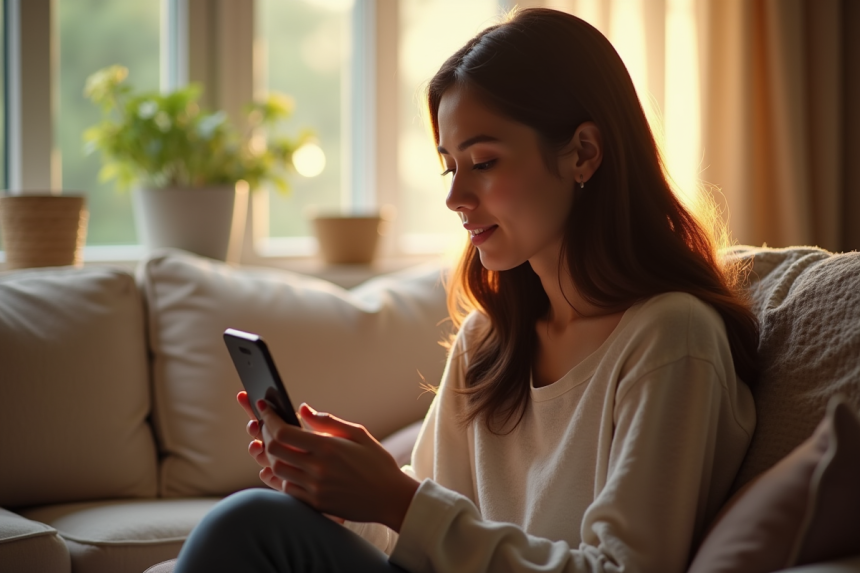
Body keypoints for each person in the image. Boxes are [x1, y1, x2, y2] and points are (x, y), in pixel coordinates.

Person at [174, 8, 759, 573]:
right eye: (449, 166)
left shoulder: (671, 337)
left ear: (583, 152)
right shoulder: (490, 340)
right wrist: (338, 492)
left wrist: (400, 500)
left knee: (246, 524)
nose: (455, 198)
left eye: (483, 161)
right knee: (262, 520)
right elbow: (421, 537)